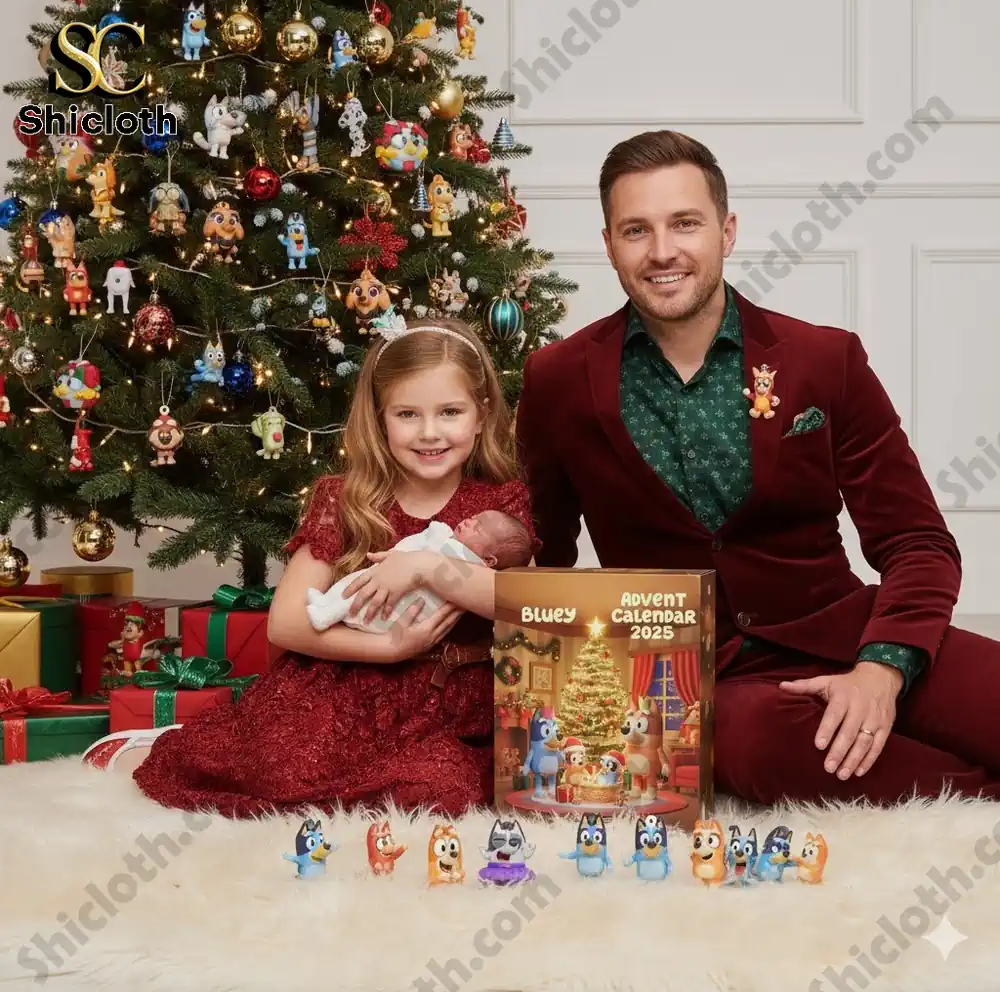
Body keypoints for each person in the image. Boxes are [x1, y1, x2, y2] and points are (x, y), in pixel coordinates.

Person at [515, 129, 1000, 806]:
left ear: (727, 230)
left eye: (685, 223)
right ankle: (976, 798)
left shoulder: (823, 359)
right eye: (636, 230)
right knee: (746, 745)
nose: (662, 251)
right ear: (608, 245)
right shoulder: (558, 379)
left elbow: (916, 544)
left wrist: (880, 671)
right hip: (709, 680)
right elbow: (543, 554)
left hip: (846, 630)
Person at [83, 318, 539, 818]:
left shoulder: (498, 507)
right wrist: (389, 649)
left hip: (449, 710)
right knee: (284, 770)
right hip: (347, 687)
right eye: (408, 414)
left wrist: (426, 567)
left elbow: (521, 606)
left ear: (481, 415)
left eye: (450, 412)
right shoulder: (345, 499)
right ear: (380, 417)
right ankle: (161, 743)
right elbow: (285, 624)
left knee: (438, 793)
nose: (430, 432)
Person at [305, 511, 533, 633]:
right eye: (474, 517)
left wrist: (422, 566)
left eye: (478, 527)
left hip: (397, 618)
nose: (469, 521)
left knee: (362, 592)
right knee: (360, 583)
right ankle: (328, 603)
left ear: (489, 560)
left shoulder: (465, 558)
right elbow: (284, 627)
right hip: (378, 630)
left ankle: (329, 611)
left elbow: (530, 603)